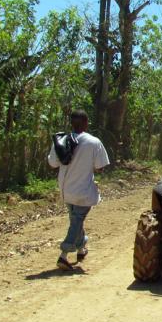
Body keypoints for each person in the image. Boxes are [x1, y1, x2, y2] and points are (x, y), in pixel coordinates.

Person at [48, 110, 110, 270]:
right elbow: (100, 167)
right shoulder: (94, 142)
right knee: (76, 221)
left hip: (65, 190)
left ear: (71, 123)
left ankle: (81, 248)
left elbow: (53, 164)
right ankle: (63, 255)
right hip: (83, 191)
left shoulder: (61, 140)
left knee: (76, 221)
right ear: (86, 123)